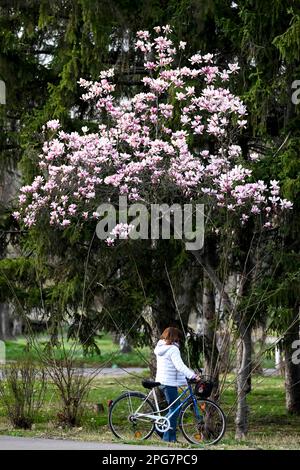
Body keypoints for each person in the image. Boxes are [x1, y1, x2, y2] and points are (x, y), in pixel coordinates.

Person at [154, 326, 199, 443]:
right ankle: (168, 437)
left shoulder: (161, 347)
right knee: (175, 408)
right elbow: (180, 366)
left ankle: (161, 430)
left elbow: (175, 366)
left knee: (174, 408)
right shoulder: (173, 349)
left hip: (162, 381)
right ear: (174, 337)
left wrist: (189, 374)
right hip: (168, 382)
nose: (179, 340)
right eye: (178, 337)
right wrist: (193, 376)